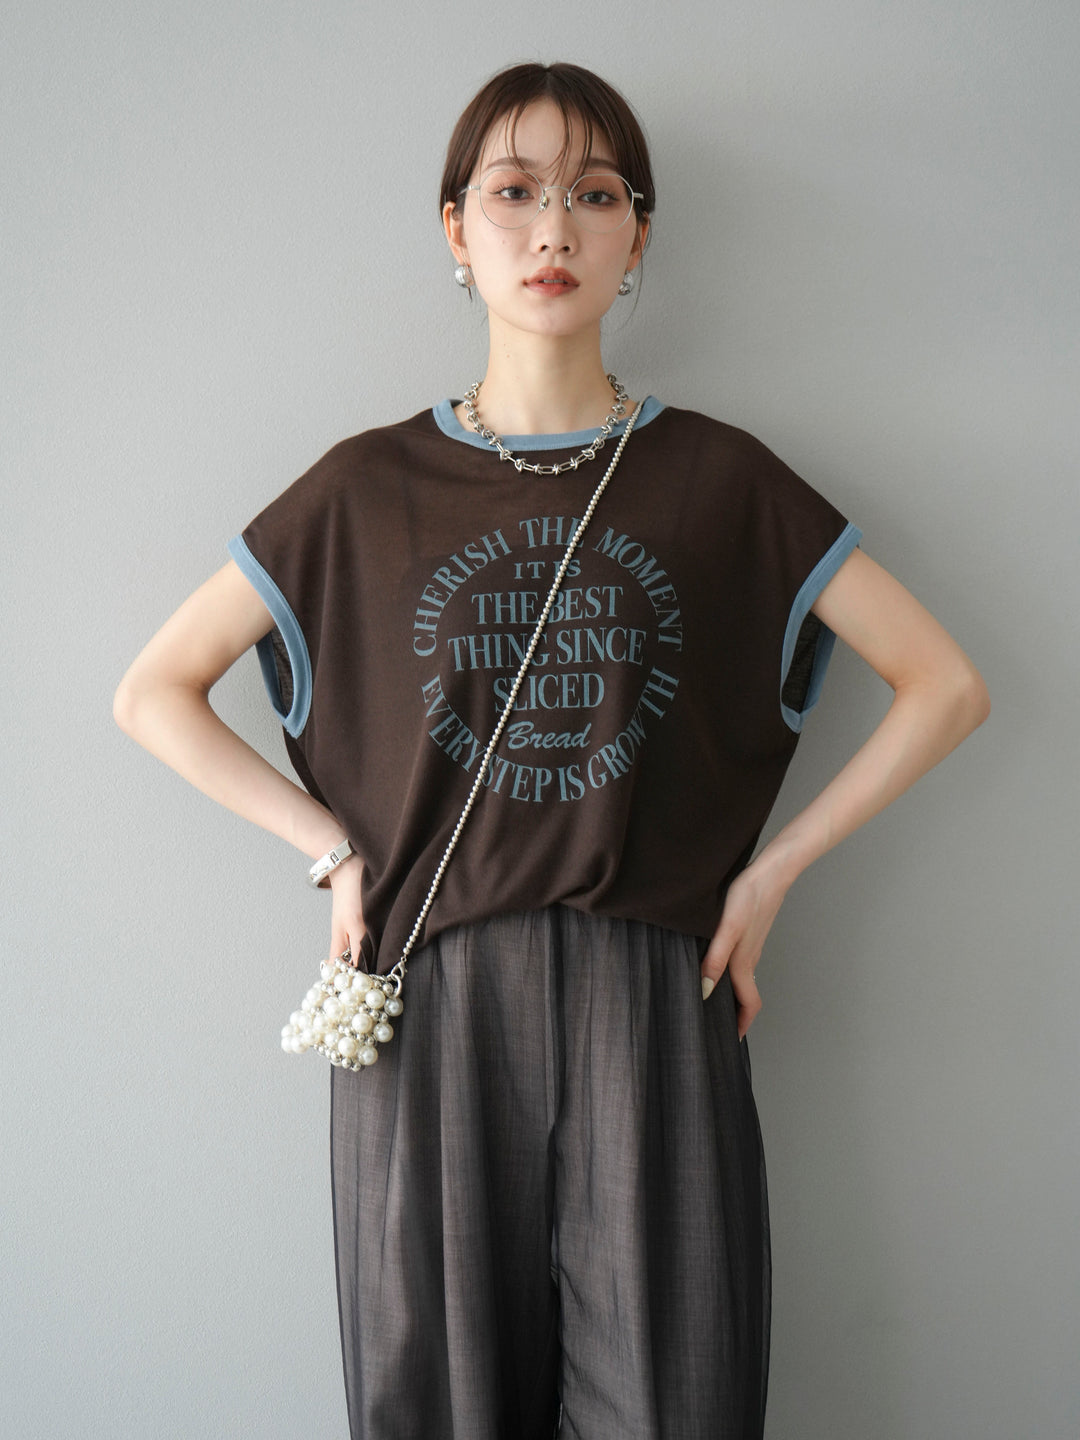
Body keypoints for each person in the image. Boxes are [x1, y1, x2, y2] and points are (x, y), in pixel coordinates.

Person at [114, 60, 989, 1440]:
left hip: (655, 993)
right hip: (426, 999)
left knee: (674, 1400)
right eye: (514, 193)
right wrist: (329, 850)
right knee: (438, 1402)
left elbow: (945, 685)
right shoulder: (364, 490)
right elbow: (154, 691)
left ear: (638, 237)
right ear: (455, 231)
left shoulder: (720, 480)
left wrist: (771, 878)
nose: (553, 230)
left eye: (596, 195)